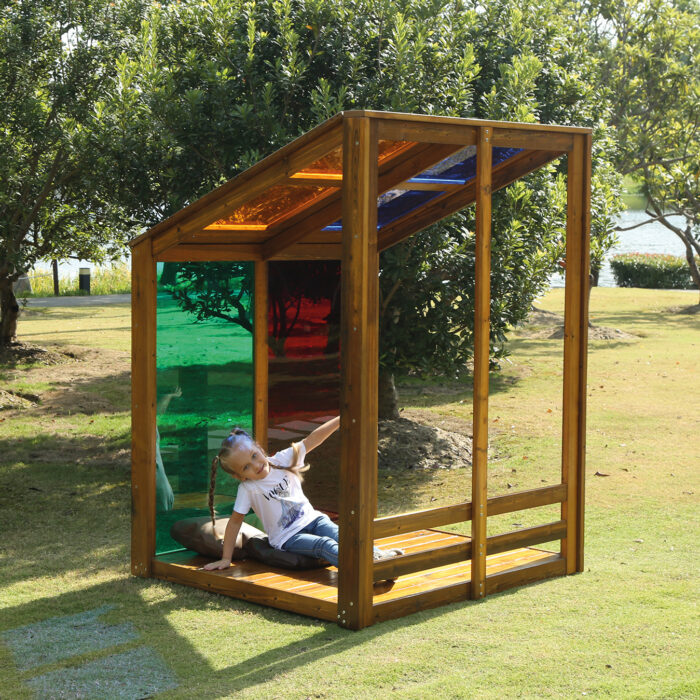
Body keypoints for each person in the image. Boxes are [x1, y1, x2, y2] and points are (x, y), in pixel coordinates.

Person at [202, 416, 403, 571]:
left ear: (260, 448)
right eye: (246, 466)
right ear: (240, 476)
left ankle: (378, 557)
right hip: (288, 537)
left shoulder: (282, 460)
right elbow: (235, 522)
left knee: (341, 535)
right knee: (324, 545)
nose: (256, 465)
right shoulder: (248, 489)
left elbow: (312, 440)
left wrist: (341, 418)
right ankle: (361, 572)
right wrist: (226, 558)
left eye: (255, 456)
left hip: (313, 520)